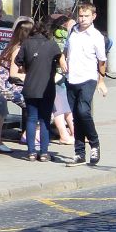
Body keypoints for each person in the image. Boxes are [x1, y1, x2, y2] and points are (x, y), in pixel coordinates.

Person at [62, 2, 108, 167]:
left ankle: (94, 143)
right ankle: (79, 152)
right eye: (80, 16)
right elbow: (65, 50)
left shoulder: (96, 36)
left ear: (93, 16)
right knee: (76, 116)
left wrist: (101, 80)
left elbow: (102, 60)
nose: (82, 19)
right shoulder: (73, 31)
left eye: (86, 16)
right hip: (71, 78)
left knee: (83, 111)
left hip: (88, 78)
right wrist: (62, 61)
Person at [13, 17, 62, 162]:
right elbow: (60, 59)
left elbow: (18, 62)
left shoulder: (27, 43)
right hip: (47, 87)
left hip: (30, 86)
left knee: (32, 119)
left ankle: (31, 152)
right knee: (45, 119)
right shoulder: (52, 44)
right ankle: (44, 152)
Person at [0, 17, 33, 150]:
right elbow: (13, 74)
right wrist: (31, 76)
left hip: (9, 83)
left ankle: (29, 133)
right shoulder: (17, 49)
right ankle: (28, 135)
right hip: (5, 85)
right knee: (32, 101)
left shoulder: (15, 45)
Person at [49, 13, 75, 145]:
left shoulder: (54, 39)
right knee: (61, 105)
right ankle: (66, 133)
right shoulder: (61, 40)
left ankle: (73, 131)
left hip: (59, 76)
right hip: (57, 77)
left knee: (63, 105)